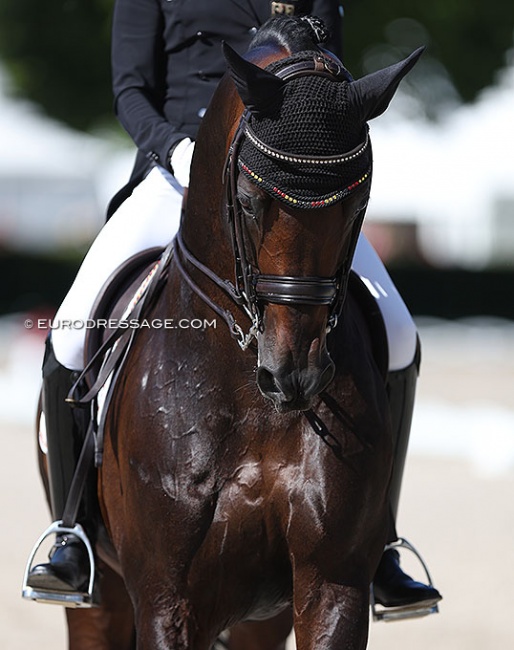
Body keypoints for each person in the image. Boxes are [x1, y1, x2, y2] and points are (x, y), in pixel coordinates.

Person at [25, 0, 441, 613]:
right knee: (69, 330)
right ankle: (74, 531)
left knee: (398, 334)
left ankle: (378, 543)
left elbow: (329, 74)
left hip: (282, 175)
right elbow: (130, 89)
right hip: (180, 171)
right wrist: (179, 149)